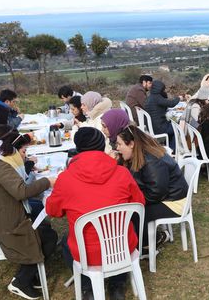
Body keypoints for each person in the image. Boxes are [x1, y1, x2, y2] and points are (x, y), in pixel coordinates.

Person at [45, 127, 145, 300]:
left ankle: (88, 288)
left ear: (78, 148)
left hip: (88, 253)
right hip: (122, 246)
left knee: (66, 242)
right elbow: (139, 203)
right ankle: (117, 285)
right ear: (102, 145)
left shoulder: (65, 179)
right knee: (119, 232)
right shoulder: (122, 172)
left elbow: (53, 211)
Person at [0, 131, 57, 299]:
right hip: (5, 229)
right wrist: (48, 181)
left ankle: (33, 275)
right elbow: (21, 191)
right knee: (49, 236)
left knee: (43, 224)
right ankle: (22, 280)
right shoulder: (0, 167)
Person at [116, 125, 189, 252]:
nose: (117, 148)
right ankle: (141, 242)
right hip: (166, 196)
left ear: (131, 144)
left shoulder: (151, 160)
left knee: (135, 212)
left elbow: (157, 192)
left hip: (175, 202)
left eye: (119, 144)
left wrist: (134, 200)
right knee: (129, 208)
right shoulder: (140, 155)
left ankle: (150, 243)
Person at [143, 80, 184, 151]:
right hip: (159, 128)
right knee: (178, 128)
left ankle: (168, 147)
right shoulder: (157, 98)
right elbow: (171, 103)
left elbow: (162, 105)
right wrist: (179, 98)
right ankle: (172, 150)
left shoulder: (150, 97)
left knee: (172, 125)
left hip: (152, 127)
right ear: (160, 89)